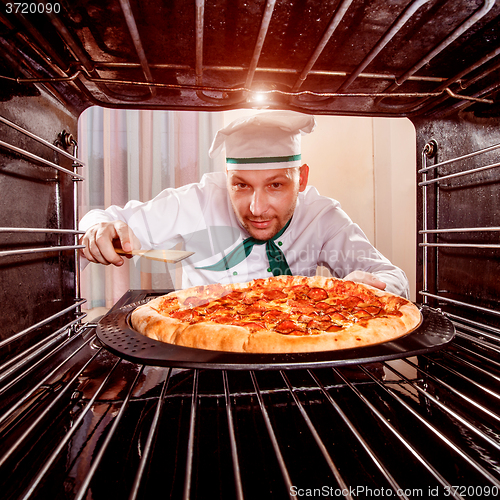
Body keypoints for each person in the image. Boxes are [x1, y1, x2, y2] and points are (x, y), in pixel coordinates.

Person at [79, 111, 410, 298]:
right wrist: (97, 230)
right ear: (226, 177)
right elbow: (105, 220)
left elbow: (393, 277)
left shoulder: (322, 215)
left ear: (302, 179)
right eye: (241, 185)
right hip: (206, 365)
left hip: (295, 358)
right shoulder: (196, 201)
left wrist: (374, 288)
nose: (256, 207)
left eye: (276, 185)